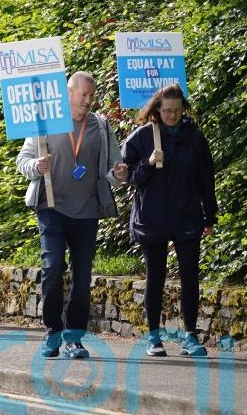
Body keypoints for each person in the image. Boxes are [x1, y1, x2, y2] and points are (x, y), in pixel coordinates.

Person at [16, 71, 128, 358]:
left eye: (91, 96)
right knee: (53, 268)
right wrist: (37, 167)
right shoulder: (46, 123)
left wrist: (118, 175)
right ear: (68, 94)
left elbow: (114, 169)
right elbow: (23, 161)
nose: (88, 101)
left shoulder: (101, 127)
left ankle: (74, 338)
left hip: (87, 213)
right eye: (83, 95)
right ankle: (53, 331)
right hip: (51, 209)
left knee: (82, 277)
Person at [122, 83, 217, 357]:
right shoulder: (141, 137)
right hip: (151, 216)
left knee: (190, 276)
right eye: (166, 111)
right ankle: (154, 336)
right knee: (156, 276)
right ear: (157, 109)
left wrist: (209, 214)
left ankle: (190, 335)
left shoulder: (194, 138)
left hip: (186, 215)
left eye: (176, 111)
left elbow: (205, 179)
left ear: (183, 108)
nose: (172, 116)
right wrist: (148, 163)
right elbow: (127, 178)